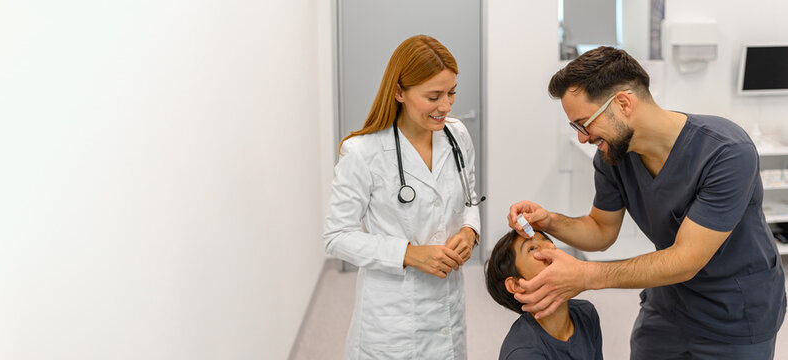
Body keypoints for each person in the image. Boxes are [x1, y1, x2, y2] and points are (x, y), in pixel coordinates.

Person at [507, 46, 786, 359]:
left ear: (624, 103)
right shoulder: (614, 156)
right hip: (667, 306)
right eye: (576, 127)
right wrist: (550, 221)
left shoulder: (726, 152)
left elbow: (686, 260)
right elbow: (600, 230)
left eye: (584, 123)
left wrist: (587, 276)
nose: (582, 138)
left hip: (736, 316)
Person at [323, 34, 482, 359]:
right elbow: (337, 237)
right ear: (399, 92)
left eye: (451, 93)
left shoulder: (457, 136)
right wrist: (409, 254)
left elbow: (470, 199)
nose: (446, 106)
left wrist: (470, 232)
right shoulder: (362, 152)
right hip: (391, 317)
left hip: (448, 304)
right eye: (433, 96)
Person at [486, 229, 603, 359]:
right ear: (517, 285)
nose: (551, 246)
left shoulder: (586, 313)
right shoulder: (523, 353)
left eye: (548, 242)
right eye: (531, 248)